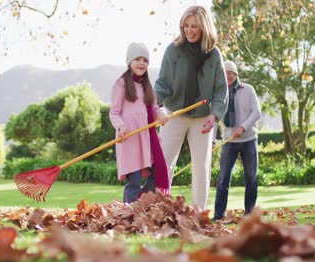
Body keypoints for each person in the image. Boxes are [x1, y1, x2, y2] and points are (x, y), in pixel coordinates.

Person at [154, 5, 228, 210]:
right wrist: (155, 106)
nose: (189, 30)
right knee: (165, 164)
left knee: (201, 168)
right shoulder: (173, 50)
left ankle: (199, 213)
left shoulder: (214, 55)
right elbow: (162, 84)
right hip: (174, 115)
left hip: (202, 119)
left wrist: (215, 115)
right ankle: (160, 210)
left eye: (194, 26)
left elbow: (221, 89)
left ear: (204, 27)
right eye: (185, 26)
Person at [109, 42, 170, 203]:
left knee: (158, 175)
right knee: (134, 181)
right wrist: (120, 126)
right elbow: (114, 112)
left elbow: (155, 108)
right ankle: (128, 213)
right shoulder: (121, 84)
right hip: (130, 139)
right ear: (129, 61)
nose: (142, 63)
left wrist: (162, 112)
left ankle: (141, 201)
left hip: (148, 139)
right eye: (138, 59)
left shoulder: (147, 85)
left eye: (145, 60)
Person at [212, 60, 262, 220]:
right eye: (224, 73)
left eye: (231, 73)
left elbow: (257, 113)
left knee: (251, 178)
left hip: (249, 140)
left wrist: (243, 127)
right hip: (229, 142)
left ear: (236, 74)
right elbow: (213, 119)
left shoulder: (248, 90)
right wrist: (211, 141)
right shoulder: (219, 94)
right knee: (223, 179)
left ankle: (249, 216)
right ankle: (219, 215)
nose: (228, 76)